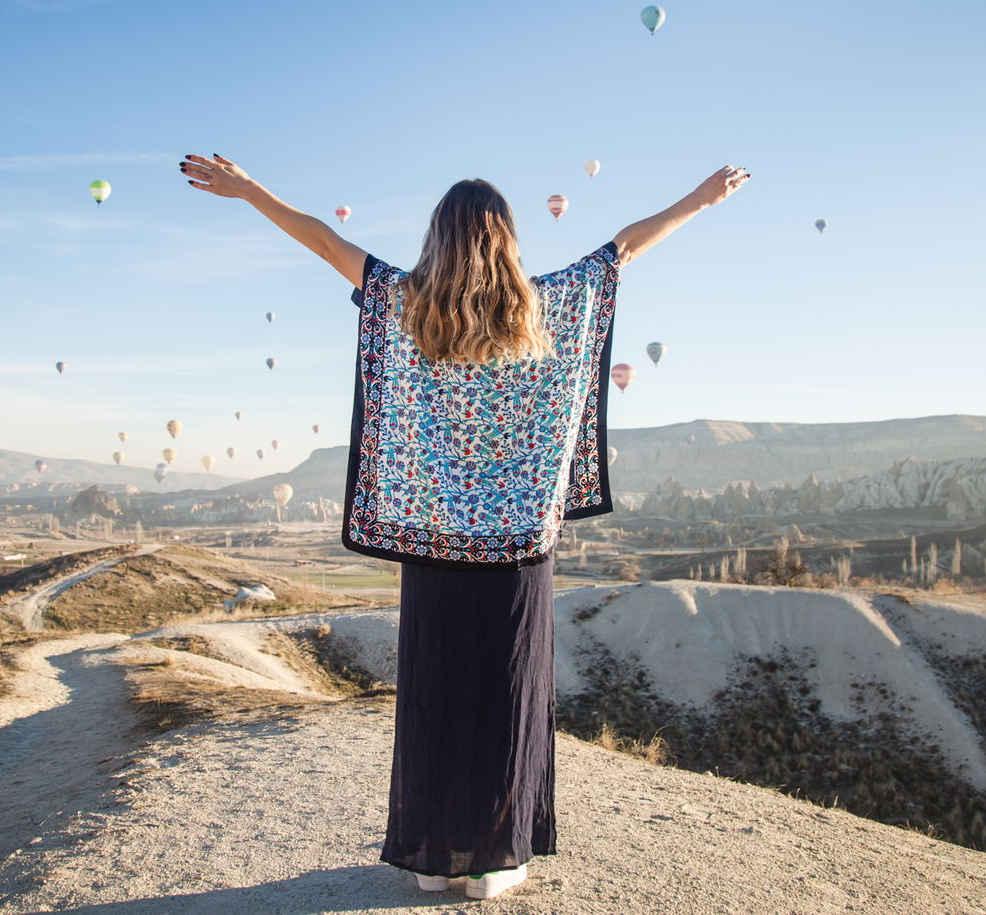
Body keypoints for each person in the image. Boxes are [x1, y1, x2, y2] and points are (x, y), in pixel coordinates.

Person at [180, 152, 749, 899]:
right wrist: (702, 199)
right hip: (517, 549)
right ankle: (497, 859)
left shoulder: (403, 303)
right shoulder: (545, 309)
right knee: (506, 695)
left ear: (437, 239)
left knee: (436, 692)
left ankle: (433, 854)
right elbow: (626, 247)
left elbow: (322, 242)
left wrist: (248, 189)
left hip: (432, 542)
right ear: (508, 239)